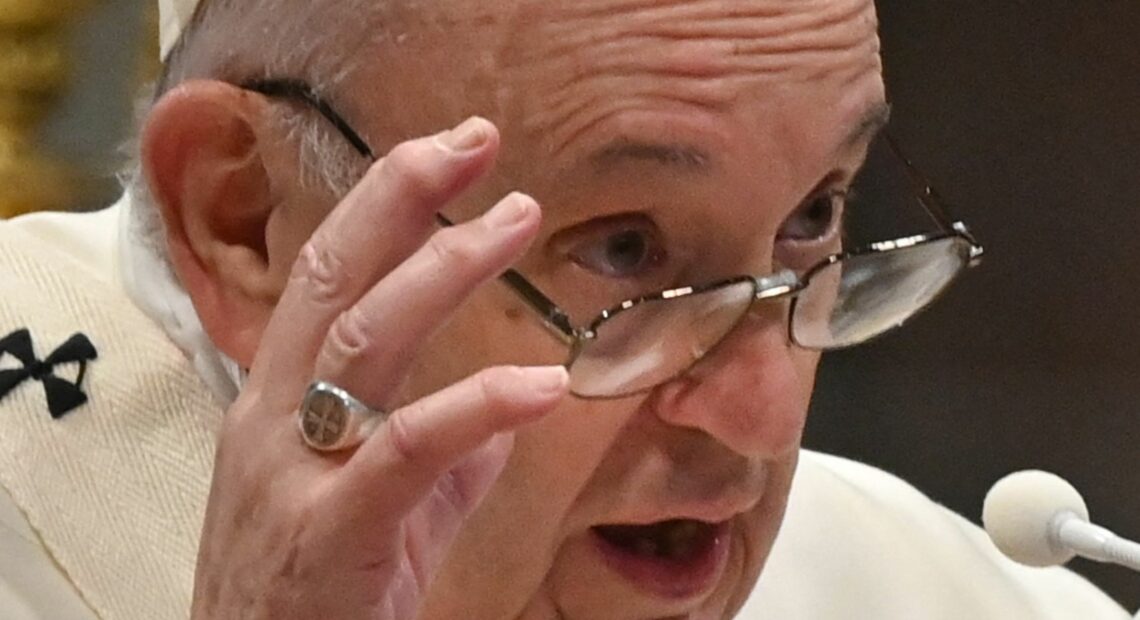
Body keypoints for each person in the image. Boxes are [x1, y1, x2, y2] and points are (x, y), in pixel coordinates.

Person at [0, 0, 1129, 618]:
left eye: (813, 216)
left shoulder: (940, 593)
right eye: (627, 251)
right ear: (246, 222)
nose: (759, 414)